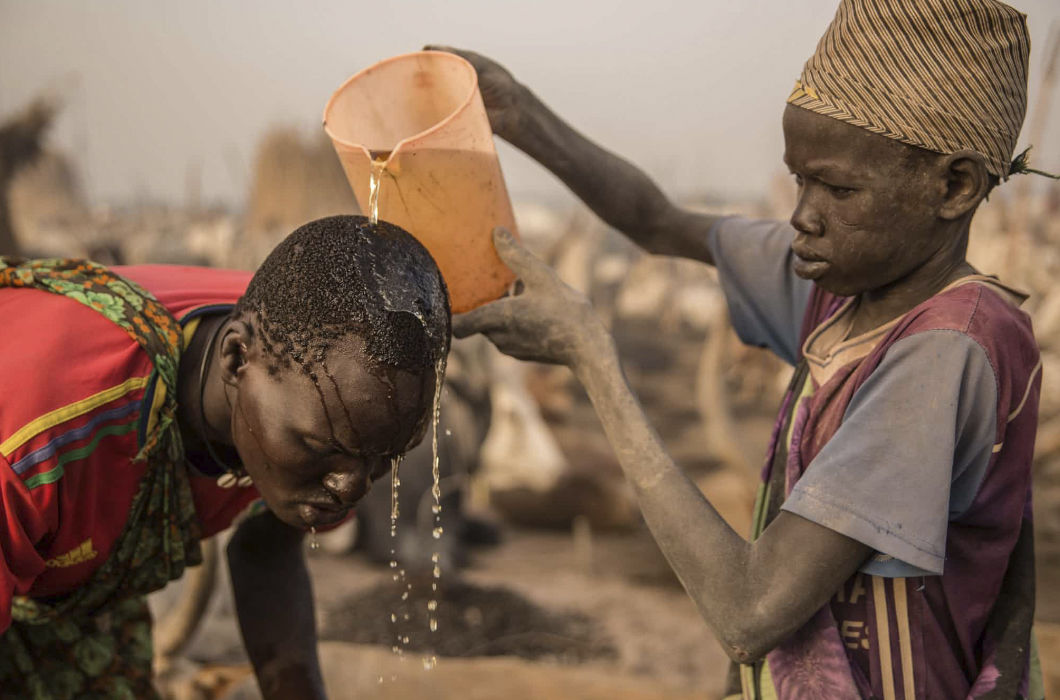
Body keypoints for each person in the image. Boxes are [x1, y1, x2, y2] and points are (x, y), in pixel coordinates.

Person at [436, 0, 1053, 696]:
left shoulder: (949, 351)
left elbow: (748, 612)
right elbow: (658, 222)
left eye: (839, 188)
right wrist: (520, 115)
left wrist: (592, 360)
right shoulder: (843, 284)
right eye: (801, 179)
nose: (803, 215)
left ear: (955, 186)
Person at [0, 214, 450, 699]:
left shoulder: (320, 361)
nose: (352, 486)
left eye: (387, 456)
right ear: (236, 361)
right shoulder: (40, 443)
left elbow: (267, 548)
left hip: (76, 603)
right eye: (325, 449)